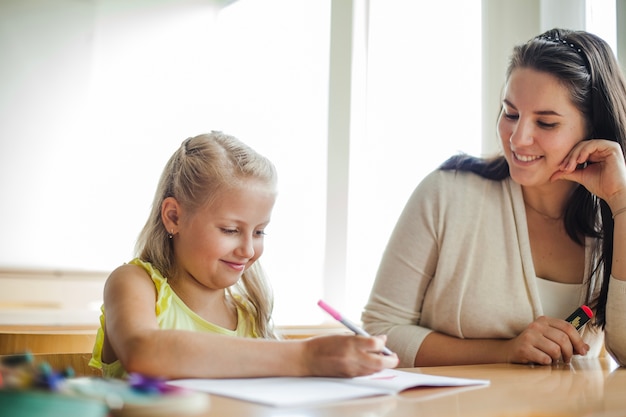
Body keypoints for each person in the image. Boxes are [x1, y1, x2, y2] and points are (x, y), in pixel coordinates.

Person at [361, 28, 626, 368]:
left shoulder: (612, 214)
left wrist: (621, 202)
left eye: (545, 123)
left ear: (593, 130)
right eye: (511, 113)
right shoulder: (447, 193)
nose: (518, 138)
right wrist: (504, 351)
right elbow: (381, 330)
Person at [90, 131, 398, 379]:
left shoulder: (250, 314)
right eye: (229, 230)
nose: (249, 250)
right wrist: (307, 357)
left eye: (259, 232)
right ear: (173, 217)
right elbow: (144, 353)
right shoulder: (134, 283)